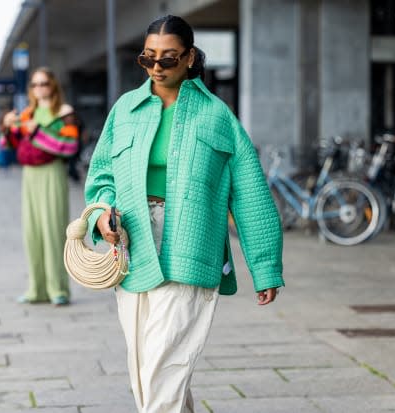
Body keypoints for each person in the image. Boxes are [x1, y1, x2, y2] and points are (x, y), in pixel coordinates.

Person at [84, 15, 284, 413]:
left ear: (190, 57)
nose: (157, 68)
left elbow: (251, 196)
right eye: (148, 59)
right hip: (132, 246)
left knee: (164, 368)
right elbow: (101, 177)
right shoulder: (125, 109)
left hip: (193, 245)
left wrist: (266, 267)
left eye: (168, 58)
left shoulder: (216, 116)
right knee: (146, 368)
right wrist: (101, 214)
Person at [1, 67, 79, 306]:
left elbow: (68, 145)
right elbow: (9, 143)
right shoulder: (27, 113)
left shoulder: (64, 113)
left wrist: (37, 131)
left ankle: (58, 289)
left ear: (53, 85)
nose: (39, 88)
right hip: (30, 176)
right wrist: (7, 126)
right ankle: (37, 289)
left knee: (54, 230)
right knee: (32, 232)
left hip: (52, 174)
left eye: (43, 83)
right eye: (34, 84)